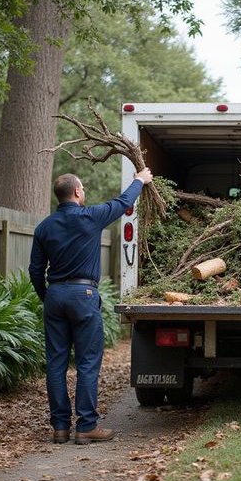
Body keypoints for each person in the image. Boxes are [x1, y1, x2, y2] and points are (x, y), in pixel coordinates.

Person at [29, 169, 153, 445]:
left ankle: (60, 427)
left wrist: (46, 297)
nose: (84, 192)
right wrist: (140, 180)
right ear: (76, 192)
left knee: (56, 363)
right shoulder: (90, 217)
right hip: (84, 295)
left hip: (55, 296)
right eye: (82, 188)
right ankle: (86, 426)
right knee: (87, 363)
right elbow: (122, 204)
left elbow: (35, 270)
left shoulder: (44, 227)